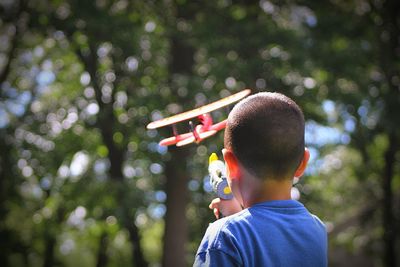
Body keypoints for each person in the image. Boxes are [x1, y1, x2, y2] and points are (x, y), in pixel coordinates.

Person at [194, 92, 327, 266]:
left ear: (230, 165)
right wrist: (236, 215)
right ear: (303, 162)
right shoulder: (317, 230)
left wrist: (233, 223)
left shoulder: (224, 237)